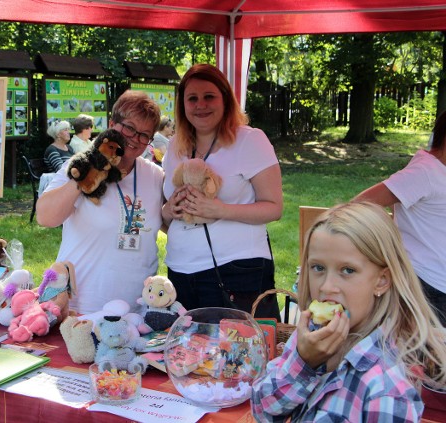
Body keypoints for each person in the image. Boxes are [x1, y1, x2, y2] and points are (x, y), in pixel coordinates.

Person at [252, 202, 446, 422]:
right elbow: (262, 409)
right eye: (318, 267)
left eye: (347, 270)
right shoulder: (309, 337)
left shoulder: (386, 393)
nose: (326, 286)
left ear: (382, 281)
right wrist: (304, 363)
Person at [162, 63, 283, 319]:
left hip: (236, 270)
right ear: (182, 105)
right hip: (179, 270)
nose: (200, 105)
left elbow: (274, 207)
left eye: (209, 96)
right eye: (192, 98)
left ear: (225, 99)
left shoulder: (250, 140)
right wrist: (169, 208)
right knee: (190, 355)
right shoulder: (174, 147)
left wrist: (220, 210)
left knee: (237, 355)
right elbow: (166, 216)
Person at [36, 90, 162, 315]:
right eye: (129, 127)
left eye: (144, 134)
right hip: (81, 308)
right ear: (112, 124)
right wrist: (86, 175)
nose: (135, 138)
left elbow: (171, 223)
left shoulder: (155, 176)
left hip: (136, 312)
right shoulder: (80, 164)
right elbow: (45, 217)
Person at [353, 111, 446, 326]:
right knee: (424, 357)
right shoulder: (425, 172)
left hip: (435, 286)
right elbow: (360, 204)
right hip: (425, 288)